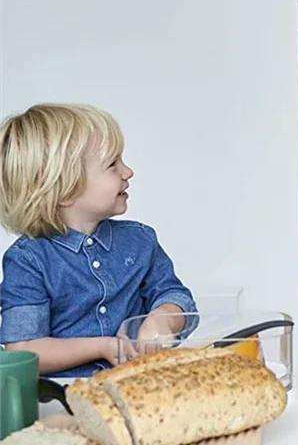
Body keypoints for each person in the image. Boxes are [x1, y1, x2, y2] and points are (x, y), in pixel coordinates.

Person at [0, 103, 197, 377]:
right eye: (112, 165)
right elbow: (23, 350)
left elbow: (175, 296)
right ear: (65, 190)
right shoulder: (29, 260)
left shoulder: (140, 240)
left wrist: (163, 318)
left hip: (142, 389)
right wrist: (103, 346)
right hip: (66, 401)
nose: (128, 172)